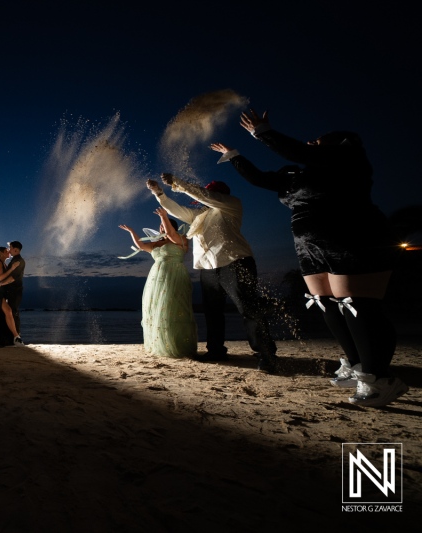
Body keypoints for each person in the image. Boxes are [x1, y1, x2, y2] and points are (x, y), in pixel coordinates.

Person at [209, 108, 406, 406]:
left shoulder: (348, 161)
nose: (311, 143)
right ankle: (355, 366)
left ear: (341, 145)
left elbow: (302, 151)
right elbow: (260, 178)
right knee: (327, 304)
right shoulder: (297, 174)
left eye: (317, 141)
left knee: (358, 306)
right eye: (310, 141)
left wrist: (262, 133)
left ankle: (379, 378)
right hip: (311, 248)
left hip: (354, 237)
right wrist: (234, 154)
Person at [148, 173, 278, 372]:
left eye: (208, 195)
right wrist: (159, 193)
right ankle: (216, 350)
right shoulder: (200, 215)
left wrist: (178, 183)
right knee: (213, 312)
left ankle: (266, 354)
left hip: (235, 261)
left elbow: (206, 196)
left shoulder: (230, 205)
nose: (203, 199)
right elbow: (178, 210)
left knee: (248, 308)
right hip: (208, 267)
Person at [120, 207, 197, 358]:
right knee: (156, 309)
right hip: (156, 278)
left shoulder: (180, 239)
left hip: (174, 275)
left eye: (163, 225)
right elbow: (141, 246)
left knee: (174, 307)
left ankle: (178, 345)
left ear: (170, 225)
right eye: (160, 226)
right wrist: (132, 232)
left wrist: (164, 216)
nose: (160, 228)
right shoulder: (157, 244)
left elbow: (170, 234)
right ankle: (159, 344)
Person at [5, 241, 26, 340]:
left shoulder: (19, 261)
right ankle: (12, 336)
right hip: (11, 290)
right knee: (11, 312)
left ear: (16, 249)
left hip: (15, 291)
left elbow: (13, 278)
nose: (9, 250)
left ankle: (16, 337)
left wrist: (0, 284)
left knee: (14, 312)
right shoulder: (13, 260)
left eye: (10, 248)